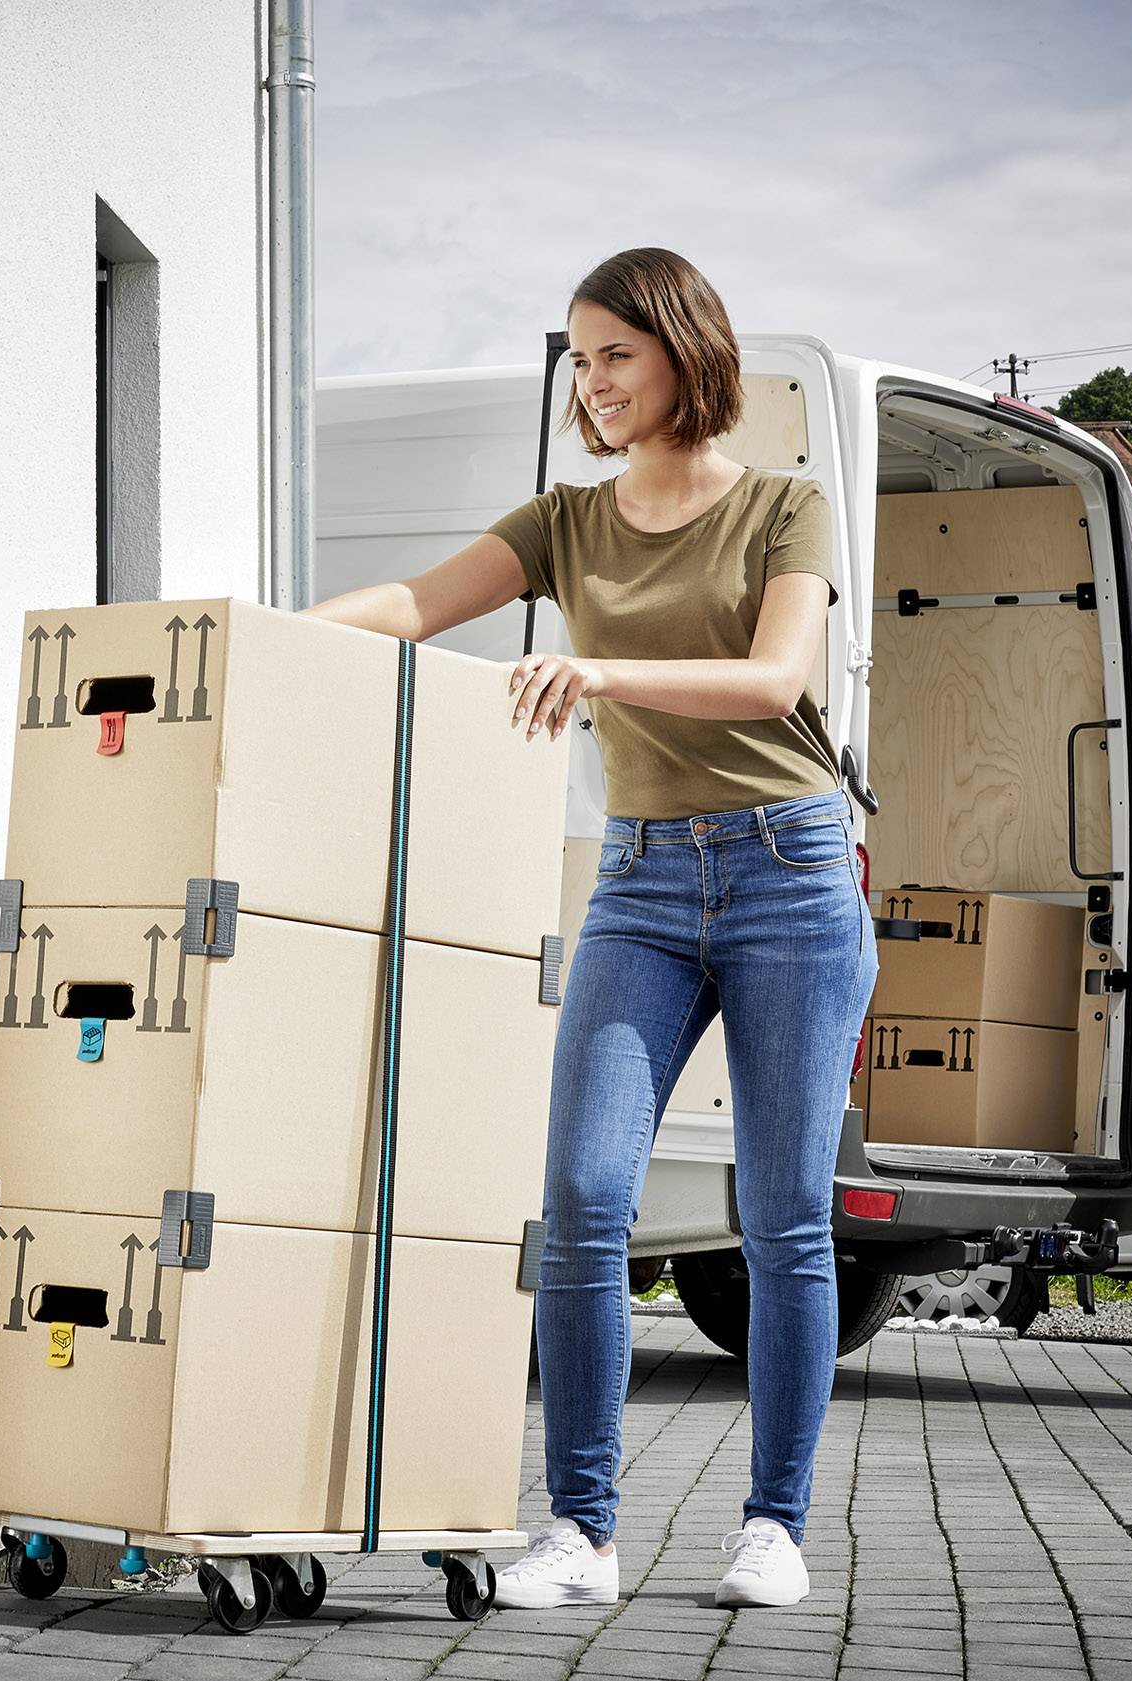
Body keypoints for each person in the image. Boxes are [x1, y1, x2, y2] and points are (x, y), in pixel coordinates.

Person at [303, 247, 875, 1610]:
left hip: (793, 871)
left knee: (786, 1215)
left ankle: (775, 1525)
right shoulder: (567, 522)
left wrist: (601, 667)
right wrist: (251, 630)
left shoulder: (786, 510)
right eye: (579, 357)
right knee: (583, 1201)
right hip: (642, 886)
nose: (594, 380)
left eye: (616, 351)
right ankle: (583, 1530)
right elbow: (416, 604)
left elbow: (775, 678)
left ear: (684, 351)